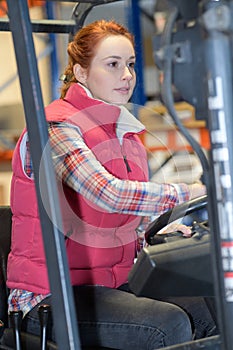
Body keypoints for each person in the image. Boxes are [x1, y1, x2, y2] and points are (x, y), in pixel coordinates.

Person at [6, 19, 217, 350]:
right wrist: (189, 191)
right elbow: (106, 194)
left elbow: (118, 219)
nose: (127, 75)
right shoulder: (55, 128)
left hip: (111, 283)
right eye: (113, 65)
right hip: (49, 296)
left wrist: (166, 227)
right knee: (168, 324)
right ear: (81, 73)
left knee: (209, 305)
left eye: (131, 64)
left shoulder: (123, 133)